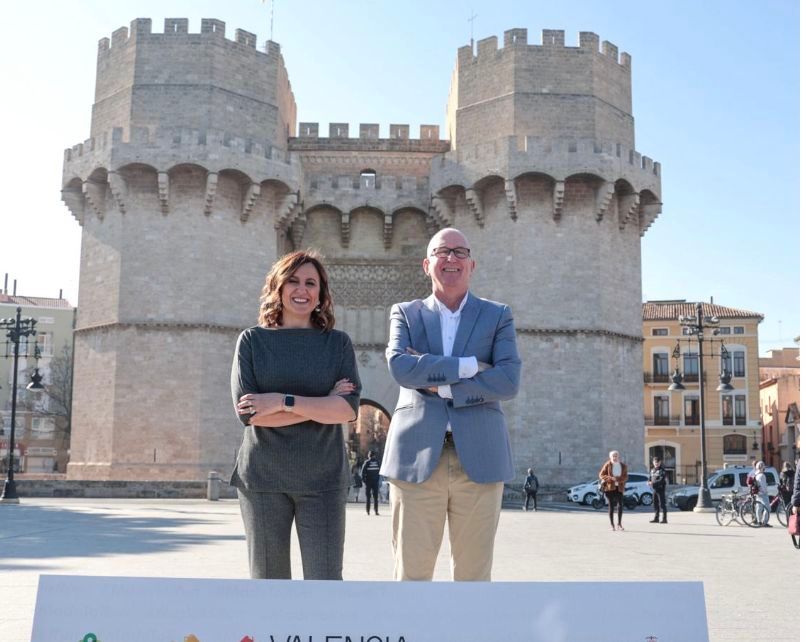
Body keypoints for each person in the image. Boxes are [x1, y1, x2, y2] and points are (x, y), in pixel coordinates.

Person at [380, 227, 521, 581]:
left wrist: (439, 385)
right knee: (411, 577)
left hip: (480, 459)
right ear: (426, 265)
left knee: (474, 580)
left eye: (460, 252)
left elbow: (508, 379)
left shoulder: (498, 315)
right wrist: (471, 367)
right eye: (442, 252)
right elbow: (401, 366)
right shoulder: (405, 313)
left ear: (472, 264)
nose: (451, 258)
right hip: (415, 458)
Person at [230, 250, 361, 580]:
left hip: (324, 480)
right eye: (293, 281)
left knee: (325, 583)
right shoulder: (251, 342)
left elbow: (346, 410)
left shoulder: (337, 344)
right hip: (263, 479)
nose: (301, 290)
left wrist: (280, 401)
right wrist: (321, 405)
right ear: (277, 287)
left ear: (321, 293)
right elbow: (251, 416)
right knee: (268, 584)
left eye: (310, 283)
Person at [598, 451, 628, 531]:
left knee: (620, 505)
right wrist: (610, 478)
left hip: (619, 488)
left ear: (618, 457)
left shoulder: (623, 466)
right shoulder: (608, 464)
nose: (615, 458)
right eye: (613, 456)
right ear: (610, 457)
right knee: (611, 506)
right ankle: (612, 525)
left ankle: (619, 524)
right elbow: (601, 475)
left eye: (616, 456)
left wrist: (617, 479)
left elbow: (625, 477)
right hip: (609, 488)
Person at [648, 456, 668, 524]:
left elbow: (662, 480)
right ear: (653, 462)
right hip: (654, 490)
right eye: (655, 462)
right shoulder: (652, 470)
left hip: (661, 489)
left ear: (660, 462)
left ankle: (664, 519)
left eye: (657, 462)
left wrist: (653, 483)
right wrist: (648, 482)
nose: (656, 463)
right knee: (655, 504)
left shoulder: (662, 470)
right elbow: (650, 477)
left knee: (662, 504)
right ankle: (656, 518)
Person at [361, 450, 381, 515]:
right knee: (375, 497)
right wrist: (378, 479)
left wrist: (364, 481)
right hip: (375, 482)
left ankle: (368, 511)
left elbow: (362, 472)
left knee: (368, 497)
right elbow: (380, 472)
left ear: (369, 456)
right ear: (374, 456)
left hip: (368, 482)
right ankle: (376, 511)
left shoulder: (367, 462)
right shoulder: (377, 462)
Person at [753, 460, 771, 527]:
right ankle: (764, 522)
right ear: (762, 467)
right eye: (764, 467)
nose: (764, 468)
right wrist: (765, 492)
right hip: (763, 494)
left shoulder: (756, 474)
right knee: (767, 508)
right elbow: (763, 486)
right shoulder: (762, 475)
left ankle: (759, 521)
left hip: (758, 494)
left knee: (759, 508)